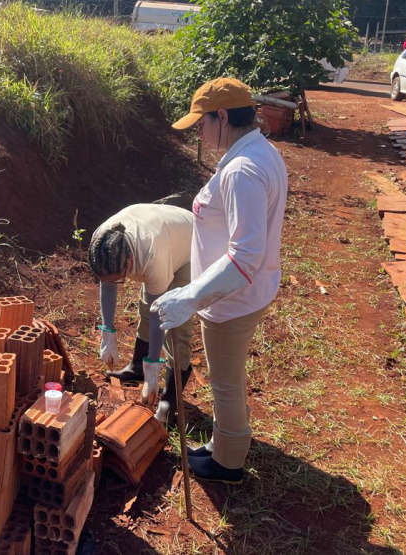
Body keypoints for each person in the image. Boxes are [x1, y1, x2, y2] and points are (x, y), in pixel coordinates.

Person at [152, 77, 287, 484]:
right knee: (229, 375)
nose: (199, 131)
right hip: (246, 290)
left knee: (225, 383)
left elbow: (244, 256)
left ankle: (228, 460)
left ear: (223, 116)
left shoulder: (243, 169)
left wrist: (191, 296)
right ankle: (225, 439)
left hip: (232, 298)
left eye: (202, 123)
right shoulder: (259, 152)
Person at [89, 204, 194, 423]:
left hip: (190, 247)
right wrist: (107, 333)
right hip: (165, 233)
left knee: (175, 323)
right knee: (147, 306)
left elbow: (159, 315)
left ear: (129, 261)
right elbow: (107, 285)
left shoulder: (151, 255)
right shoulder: (103, 242)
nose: (116, 281)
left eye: (120, 276)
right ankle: (137, 367)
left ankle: (169, 400)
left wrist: (154, 368)